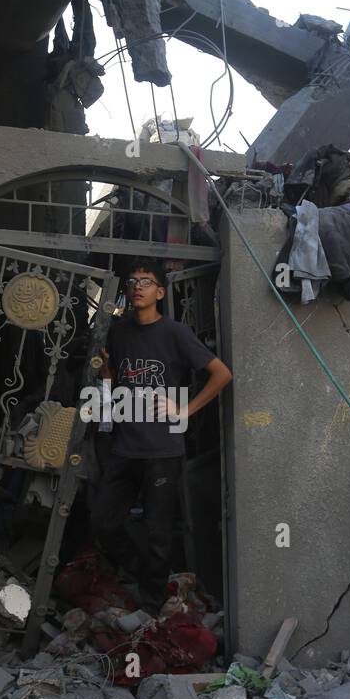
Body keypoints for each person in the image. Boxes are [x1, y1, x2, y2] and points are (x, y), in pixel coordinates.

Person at [91, 260, 232, 613]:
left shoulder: (175, 333)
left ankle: (151, 606)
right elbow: (112, 381)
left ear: (160, 292)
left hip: (162, 449)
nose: (137, 286)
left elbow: (221, 374)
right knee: (103, 522)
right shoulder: (119, 332)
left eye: (146, 281)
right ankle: (148, 576)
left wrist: (185, 410)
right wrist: (107, 378)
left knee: (158, 533)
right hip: (124, 446)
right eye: (133, 281)